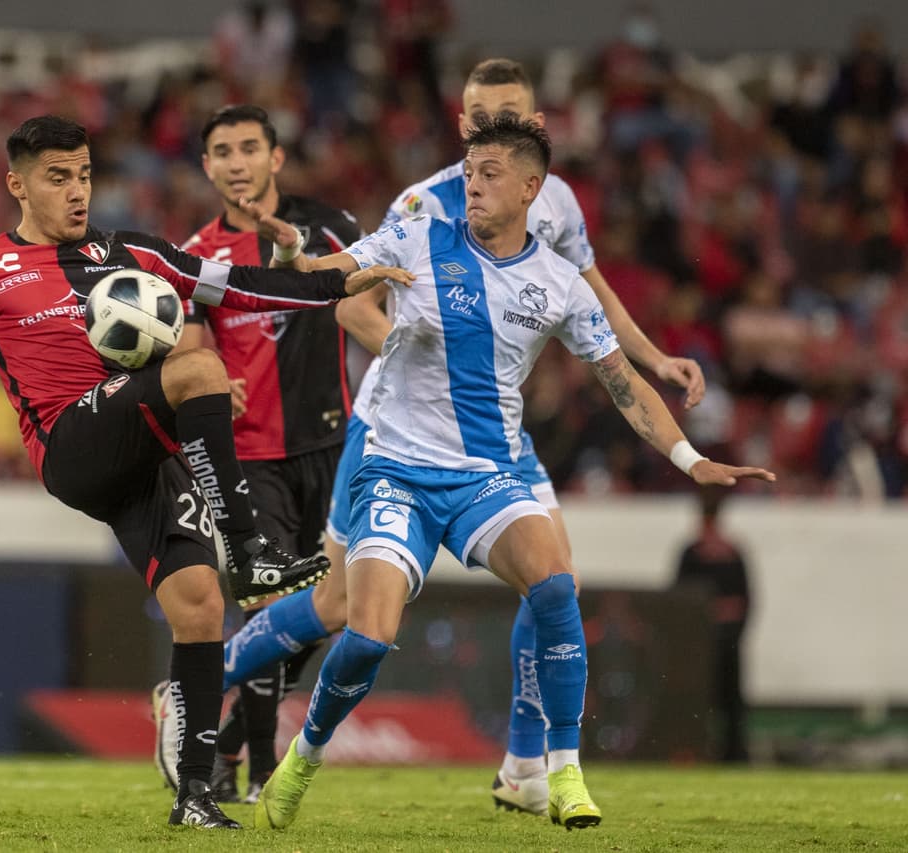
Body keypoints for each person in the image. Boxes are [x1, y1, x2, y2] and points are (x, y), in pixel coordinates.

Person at [0, 115, 409, 831]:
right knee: (201, 367)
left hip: (140, 449)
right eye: (58, 177)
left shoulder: (133, 251)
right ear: (16, 183)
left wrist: (336, 284)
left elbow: (240, 287)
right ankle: (251, 549)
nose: (77, 191)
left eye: (84, 174)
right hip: (71, 447)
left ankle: (197, 797)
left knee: (200, 605)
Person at [207, 56, 711, 819]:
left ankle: (533, 764)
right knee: (345, 611)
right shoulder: (423, 211)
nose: (482, 132)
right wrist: (416, 349)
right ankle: (218, 679)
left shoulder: (557, 208)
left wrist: (656, 363)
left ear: (533, 127)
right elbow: (339, 293)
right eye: (473, 119)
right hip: (391, 436)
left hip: (488, 453)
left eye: (500, 116)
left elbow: (589, 297)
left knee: (554, 579)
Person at [159, 104, 364, 805]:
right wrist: (213, 376)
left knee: (332, 610)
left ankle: (225, 737)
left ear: (277, 158)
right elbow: (186, 343)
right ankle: (258, 773)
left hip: (333, 445)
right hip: (247, 460)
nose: (238, 161)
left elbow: (363, 299)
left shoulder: (330, 225)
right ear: (208, 167)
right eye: (223, 151)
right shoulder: (195, 255)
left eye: (250, 147)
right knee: (269, 600)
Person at [674, 486, 752, 762]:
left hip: (720, 639)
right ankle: (717, 752)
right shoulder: (720, 552)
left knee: (725, 698)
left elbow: (680, 596)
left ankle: (726, 752)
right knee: (716, 697)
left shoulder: (700, 553)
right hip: (712, 639)